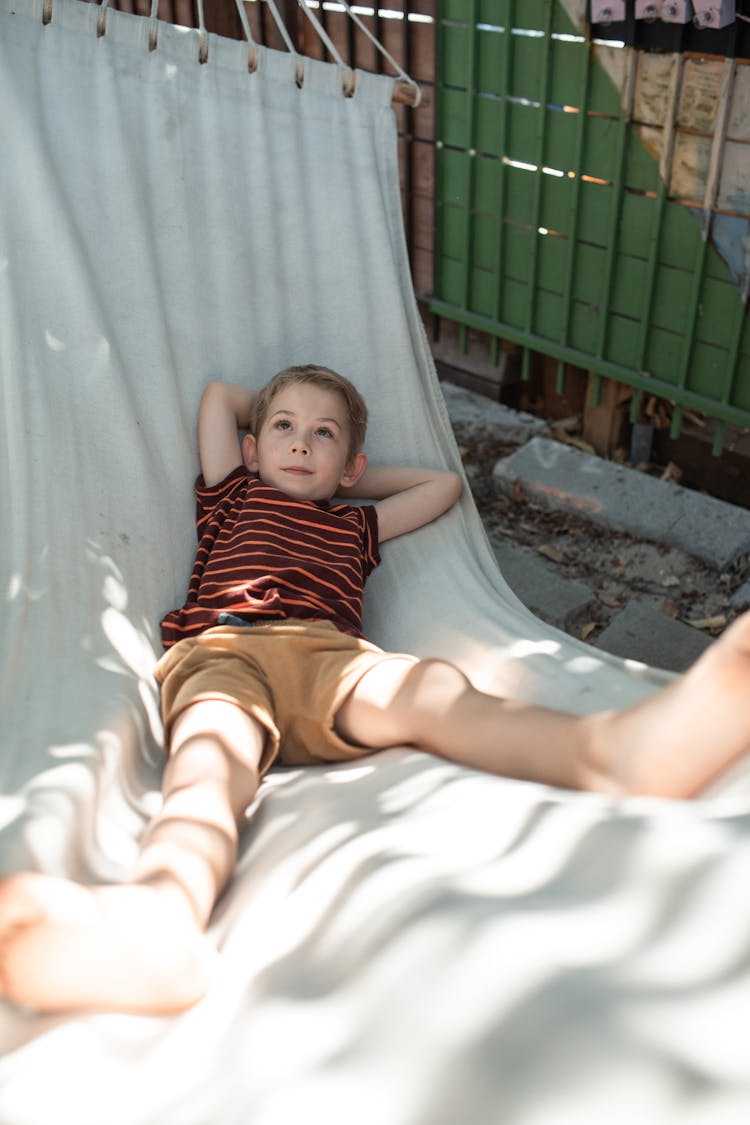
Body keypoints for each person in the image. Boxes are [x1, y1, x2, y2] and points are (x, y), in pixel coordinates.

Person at [2, 363, 750, 1015]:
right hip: (222, 649)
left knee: (430, 689)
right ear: (252, 449)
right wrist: (279, 435)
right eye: (286, 428)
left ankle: (616, 753)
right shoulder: (230, 495)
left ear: (350, 466)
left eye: (324, 435)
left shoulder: (355, 525)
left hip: (329, 658)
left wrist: (349, 480)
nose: (302, 441)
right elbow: (219, 398)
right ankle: (162, 918)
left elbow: (443, 484)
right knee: (208, 760)